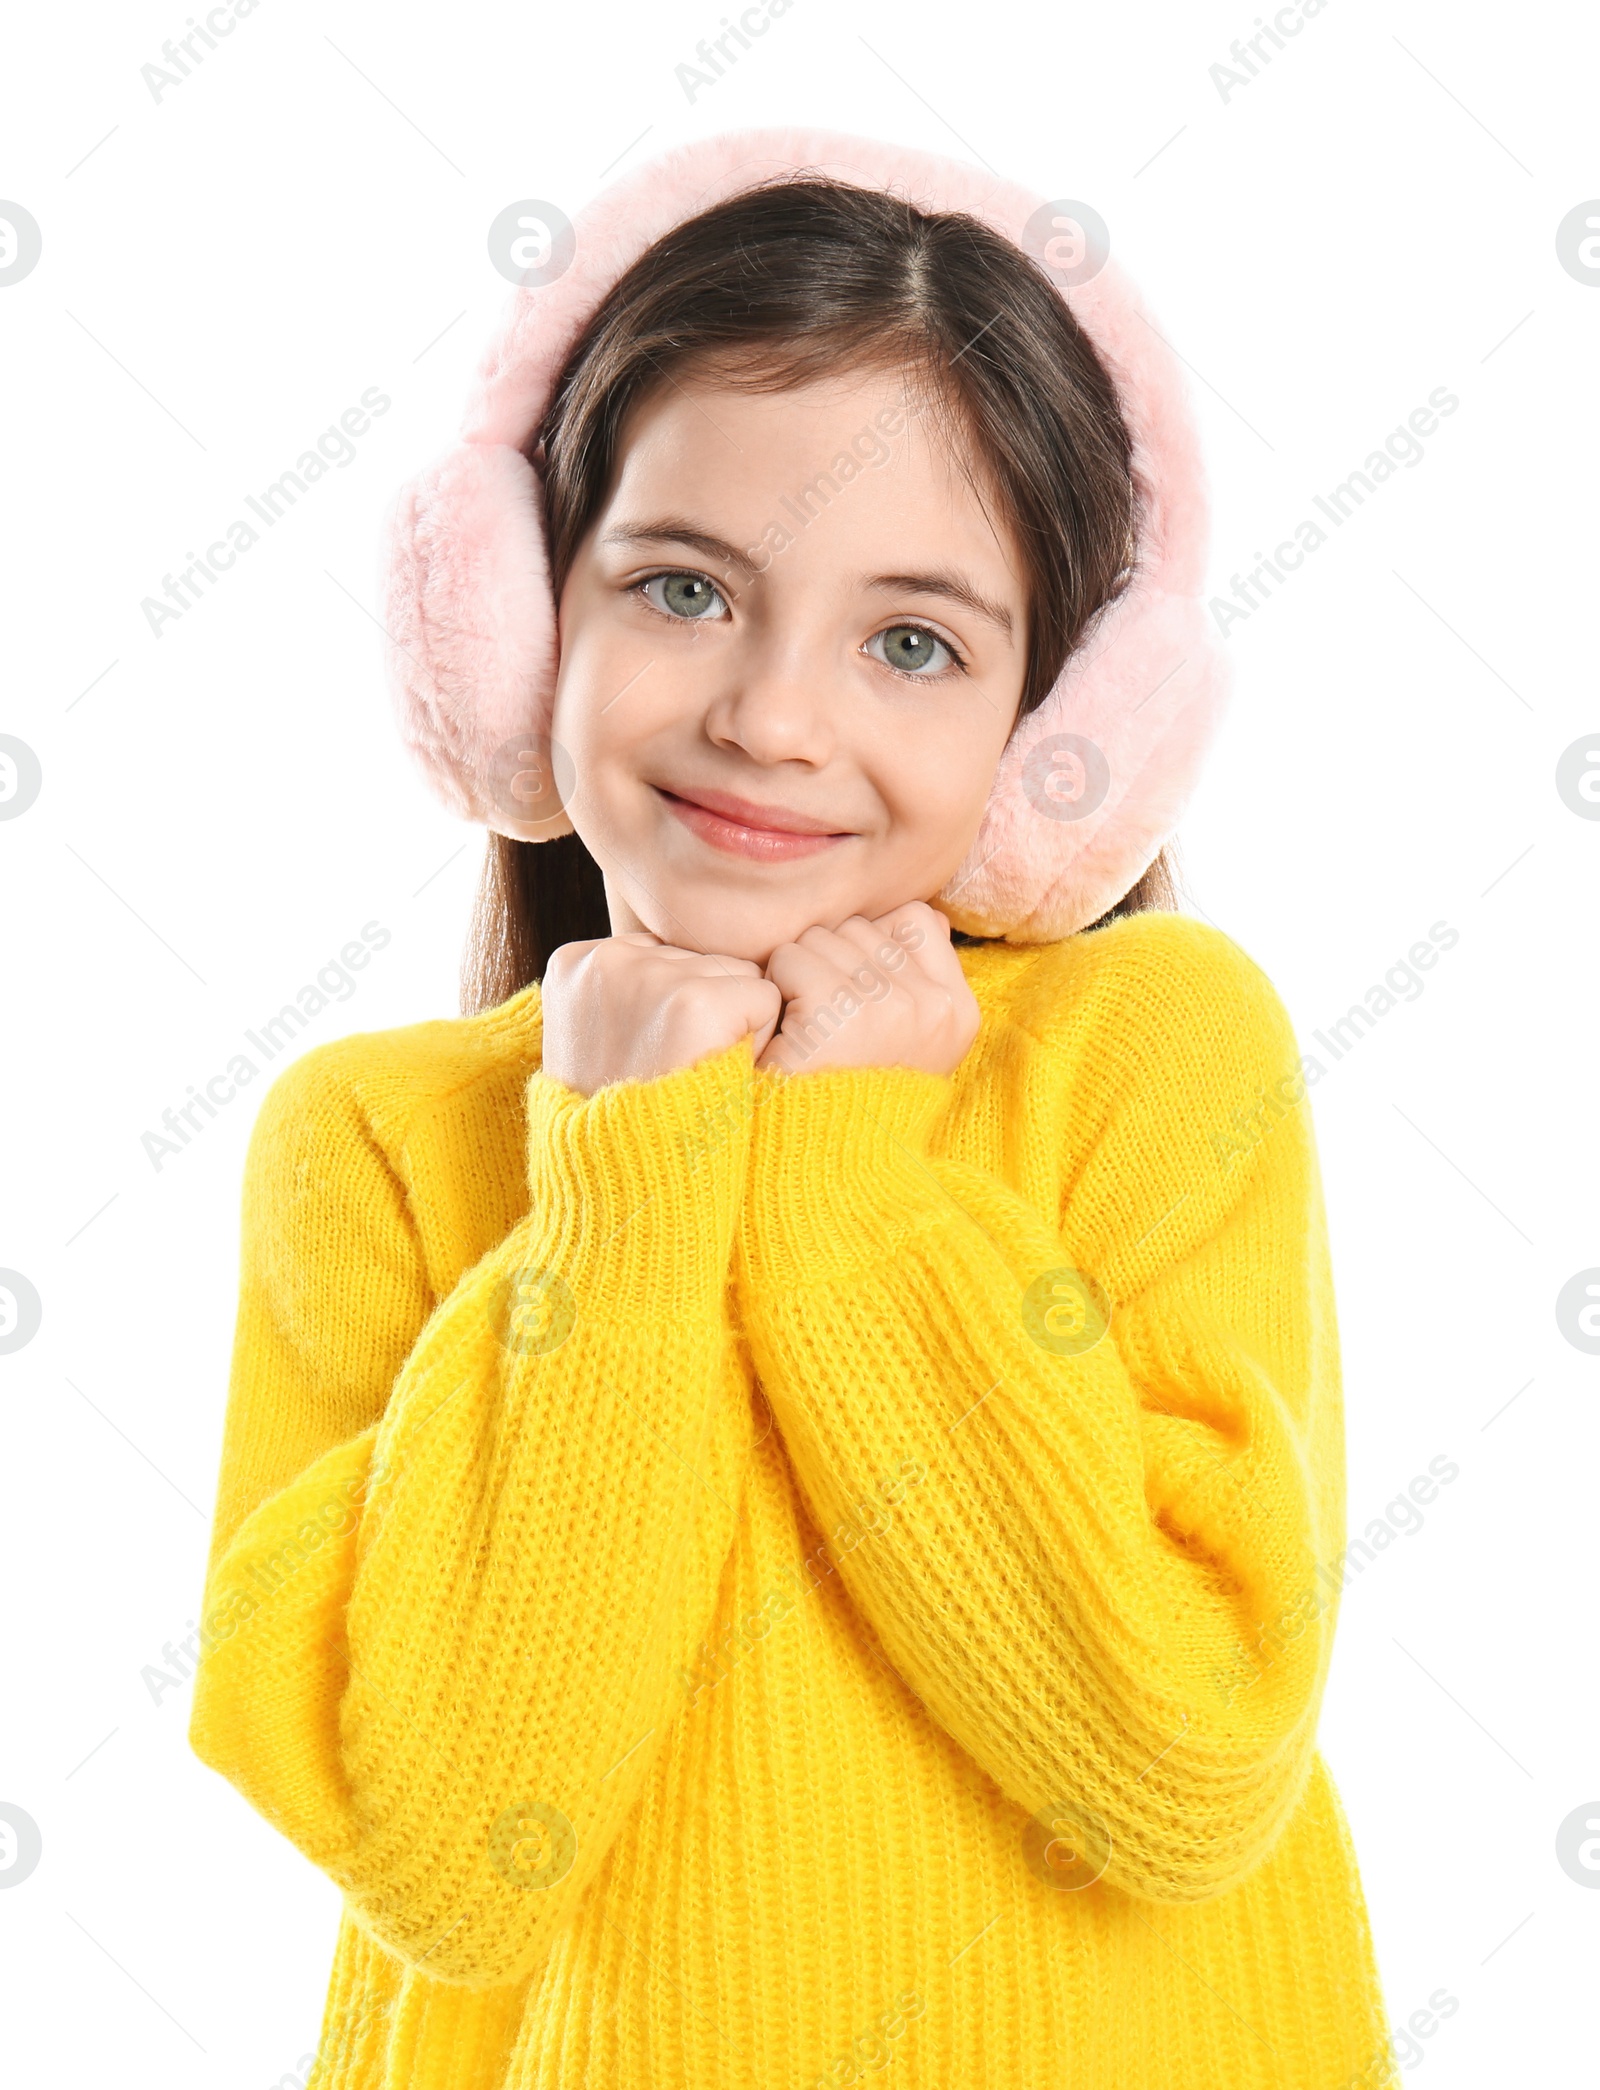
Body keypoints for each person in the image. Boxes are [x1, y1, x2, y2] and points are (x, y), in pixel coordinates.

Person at [188, 127, 1394, 2090]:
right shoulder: (379, 1144)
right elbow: (447, 1860)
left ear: (1059, 733)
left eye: (910, 640)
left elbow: (1176, 1764)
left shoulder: (1159, 1044)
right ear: (517, 627)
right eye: (680, 588)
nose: (768, 713)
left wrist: (840, 1189)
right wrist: (624, 1193)